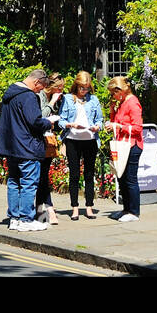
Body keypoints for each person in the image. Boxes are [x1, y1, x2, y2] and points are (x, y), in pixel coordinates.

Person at [0, 69, 59, 232]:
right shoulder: (29, 96)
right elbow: (35, 122)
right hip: (27, 147)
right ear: (36, 82)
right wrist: (48, 122)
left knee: (14, 182)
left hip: (12, 147)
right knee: (29, 183)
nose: (40, 91)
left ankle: (14, 218)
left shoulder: (11, 94)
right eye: (41, 87)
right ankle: (26, 219)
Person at [58, 71, 103, 220]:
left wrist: (97, 126)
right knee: (74, 175)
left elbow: (100, 120)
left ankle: (89, 207)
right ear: (76, 86)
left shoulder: (94, 100)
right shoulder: (67, 99)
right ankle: (75, 208)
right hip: (73, 140)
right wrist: (70, 124)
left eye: (87, 88)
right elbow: (61, 120)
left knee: (89, 175)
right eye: (82, 88)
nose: (84, 91)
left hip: (90, 140)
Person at [107, 76, 144, 222]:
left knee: (130, 179)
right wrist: (112, 111)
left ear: (120, 90)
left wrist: (119, 126)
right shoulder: (122, 103)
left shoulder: (133, 103)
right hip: (123, 145)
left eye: (113, 93)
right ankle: (126, 209)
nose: (112, 96)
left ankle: (134, 212)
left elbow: (137, 128)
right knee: (122, 178)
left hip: (132, 146)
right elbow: (115, 121)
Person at [36, 73, 64, 225]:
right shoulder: (40, 96)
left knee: (43, 177)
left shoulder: (52, 98)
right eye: (59, 89)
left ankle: (40, 212)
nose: (60, 92)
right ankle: (49, 210)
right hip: (38, 141)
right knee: (42, 178)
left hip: (49, 140)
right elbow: (39, 116)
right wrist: (52, 102)